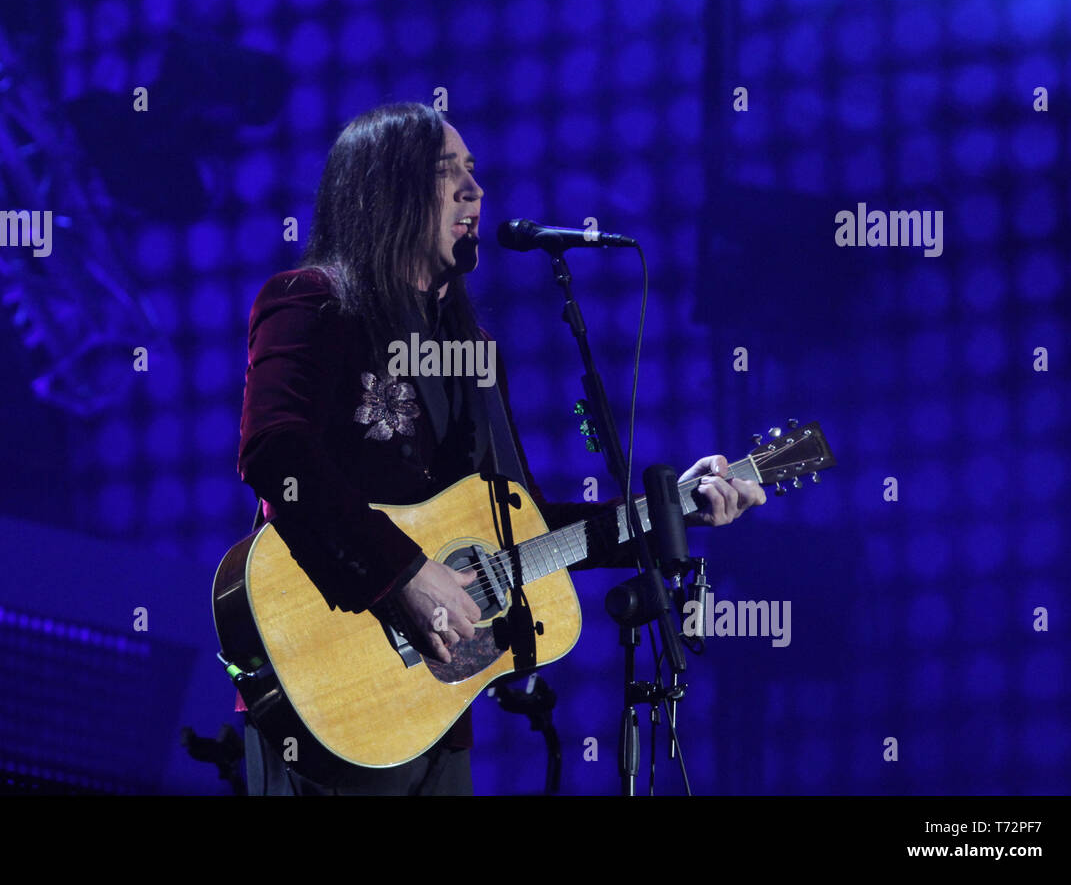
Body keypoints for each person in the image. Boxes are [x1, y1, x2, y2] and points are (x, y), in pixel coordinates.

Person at [236, 102, 765, 795]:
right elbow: (276, 453)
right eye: (443, 172)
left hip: (433, 707)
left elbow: (524, 528)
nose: (473, 190)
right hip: (327, 691)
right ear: (381, 191)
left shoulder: (472, 349)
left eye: (473, 172)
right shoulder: (312, 301)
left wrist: (674, 511)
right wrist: (402, 574)